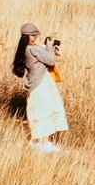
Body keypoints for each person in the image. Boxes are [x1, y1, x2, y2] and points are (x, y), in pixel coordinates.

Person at [13, 22, 68, 151]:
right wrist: (50, 47)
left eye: (35, 35)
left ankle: (39, 141)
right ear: (29, 36)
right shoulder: (33, 49)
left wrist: (48, 47)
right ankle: (44, 143)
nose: (35, 38)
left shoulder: (26, 49)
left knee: (40, 110)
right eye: (33, 35)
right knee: (45, 110)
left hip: (38, 83)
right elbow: (50, 60)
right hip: (41, 83)